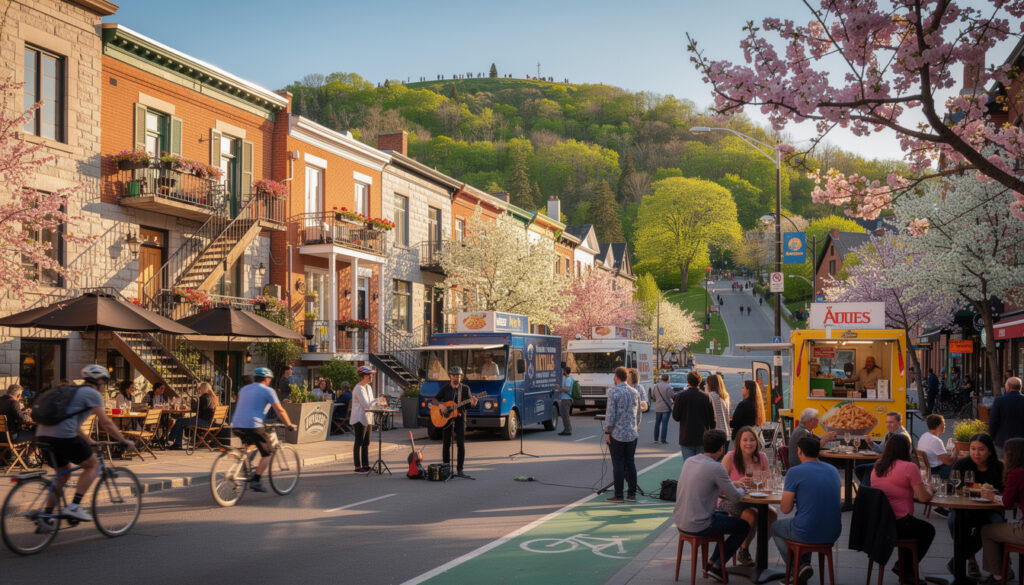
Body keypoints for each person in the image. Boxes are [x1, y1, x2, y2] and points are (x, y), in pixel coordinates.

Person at [35, 365, 135, 523]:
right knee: (93, 465)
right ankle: (74, 506)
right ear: (99, 381)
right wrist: (123, 440)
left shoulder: (73, 391)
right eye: (104, 383)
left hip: (43, 435)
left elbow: (73, 424)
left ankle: (46, 516)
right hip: (63, 436)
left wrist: (89, 441)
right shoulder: (92, 393)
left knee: (63, 474)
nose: (104, 386)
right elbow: (106, 423)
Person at [674, 429, 750, 581]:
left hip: (680, 521)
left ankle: (713, 563)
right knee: (744, 526)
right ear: (722, 448)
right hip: (700, 524)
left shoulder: (690, 461)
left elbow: (712, 483)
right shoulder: (716, 467)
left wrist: (734, 484)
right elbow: (736, 497)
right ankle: (717, 564)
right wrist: (743, 488)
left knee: (725, 515)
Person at [773, 435, 842, 585]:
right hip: (833, 531)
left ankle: (797, 569)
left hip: (807, 530)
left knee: (776, 527)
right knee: (805, 519)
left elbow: (785, 509)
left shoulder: (794, 472)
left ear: (799, 451)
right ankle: (803, 567)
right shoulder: (833, 470)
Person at [870, 434, 935, 583]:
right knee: (928, 530)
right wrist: (931, 489)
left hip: (880, 524)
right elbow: (923, 497)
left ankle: (904, 569)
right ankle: (905, 568)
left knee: (914, 527)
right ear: (907, 449)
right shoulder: (909, 467)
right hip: (899, 524)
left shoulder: (877, 467)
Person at [947, 433, 1005, 578]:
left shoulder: (999, 467)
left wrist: (994, 495)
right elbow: (951, 486)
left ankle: (958, 560)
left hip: (990, 509)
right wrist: (962, 489)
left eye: (981, 449)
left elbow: (1005, 492)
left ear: (990, 451)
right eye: (973, 449)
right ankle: (971, 560)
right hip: (965, 509)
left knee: (996, 522)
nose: (976, 453)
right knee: (954, 521)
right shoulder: (962, 464)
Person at [229, 367, 295, 492]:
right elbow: (280, 410)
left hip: (236, 424)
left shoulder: (244, 389)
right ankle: (256, 480)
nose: (270, 381)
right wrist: (289, 424)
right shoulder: (268, 390)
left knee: (251, 444)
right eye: (270, 379)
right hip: (253, 425)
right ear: (267, 379)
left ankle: (242, 467)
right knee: (267, 453)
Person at [720, 426, 778, 566]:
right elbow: (720, 485)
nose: (749, 443)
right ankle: (744, 551)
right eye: (745, 440)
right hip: (730, 499)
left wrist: (760, 483)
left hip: (754, 499)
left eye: (752, 440)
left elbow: (769, 480)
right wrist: (737, 483)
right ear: (738, 442)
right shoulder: (730, 457)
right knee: (752, 515)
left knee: (773, 515)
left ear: (757, 442)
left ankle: (761, 551)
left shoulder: (762, 457)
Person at [980, 437, 1024, 584]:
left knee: (987, 531)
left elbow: (1007, 503)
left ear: (1010, 455)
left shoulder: (1016, 474)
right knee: (1000, 525)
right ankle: (1006, 569)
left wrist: (992, 496)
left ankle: (998, 575)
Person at [605, 366, 642, 502]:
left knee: (618, 464)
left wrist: (607, 431)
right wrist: (636, 426)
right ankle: (632, 494)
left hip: (618, 434)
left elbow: (610, 415)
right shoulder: (635, 391)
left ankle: (619, 495)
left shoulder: (614, 392)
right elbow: (639, 412)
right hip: (632, 433)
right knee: (630, 463)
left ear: (616, 377)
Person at [432, 365, 477, 476]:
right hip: (446, 420)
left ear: (461, 377)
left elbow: (468, 405)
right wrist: (440, 405)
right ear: (450, 376)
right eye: (454, 376)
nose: (456, 378)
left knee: (460, 444)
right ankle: (446, 468)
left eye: (458, 376)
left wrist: (473, 404)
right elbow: (434, 400)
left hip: (460, 418)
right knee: (446, 444)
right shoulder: (445, 388)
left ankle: (460, 469)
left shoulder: (465, 389)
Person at [855, 411, 913, 486]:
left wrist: (880, 462)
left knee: (863, 469)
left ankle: (869, 489)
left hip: (894, 468)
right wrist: (871, 443)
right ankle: (869, 489)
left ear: (899, 423)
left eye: (891, 422)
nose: (888, 425)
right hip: (889, 465)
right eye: (887, 422)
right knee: (862, 468)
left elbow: (897, 458)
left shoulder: (902, 436)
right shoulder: (889, 434)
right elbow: (881, 449)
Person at [672, 370, 714, 462]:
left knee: (689, 465)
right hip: (702, 437)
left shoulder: (680, 396)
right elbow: (712, 420)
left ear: (688, 381)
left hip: (686, 437)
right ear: (700, 381)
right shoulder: (706, 397)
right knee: (702, 466)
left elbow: (676, 417)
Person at [166, 382, 218, 449]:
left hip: (204, 422)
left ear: (202, 389)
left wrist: (192, 402)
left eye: (200, 389)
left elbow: (196, 409)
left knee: (179, 421)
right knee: (181, 421)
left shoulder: (203, 398)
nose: (199, 390)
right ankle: (177, 443)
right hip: (211, 421)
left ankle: (171, 440)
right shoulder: (212, 398)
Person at [351, 366, 378, 473]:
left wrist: (378, 402)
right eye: (370, 375)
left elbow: (371, 402)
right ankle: (357, 466)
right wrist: (376, 401)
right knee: (359, 442)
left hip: (368, 418)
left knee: (366, 442)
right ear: (365, 376)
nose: (372, 376)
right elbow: (366, 405)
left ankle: (365, 464)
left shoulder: (368, 387)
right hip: (359, 418)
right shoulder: (358, 388)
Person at [989, 377, 1024, 458]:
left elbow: (993, 421)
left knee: (1002, 463)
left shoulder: (999, 401)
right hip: (1022, 441)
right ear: (1020, 387)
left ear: (1008, 387)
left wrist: (992, 437)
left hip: (1002, 441)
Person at [919, 414, 955, 480]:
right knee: (959, 465)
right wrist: (956, 452)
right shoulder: (935, 440)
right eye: (944, 424)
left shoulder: (923, 436)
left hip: (927, 471)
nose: (945, 426)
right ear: (939, 425)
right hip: (936, 472)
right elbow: (949, 462)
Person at [705, 374, 731, 444]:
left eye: (706, 383)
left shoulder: (710, 396)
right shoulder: (726, 396)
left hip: (715, 434)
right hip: (726, 433)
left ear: (710, 384)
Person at [652, 374, 674, 444]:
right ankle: (663, 440)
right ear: (668, 379)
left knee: (657, 423)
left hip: (658, 407)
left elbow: (653, 396)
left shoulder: (656, 386)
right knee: (664, 424)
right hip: (666, 408)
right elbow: (672, 396)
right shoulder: (668, 387)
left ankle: (656, 439)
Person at [557, 366, 573, 436]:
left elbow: (567, 390)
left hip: (566, 399)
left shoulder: (568, 379)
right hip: (565, 399)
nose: (563, 372)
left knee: (565, 415)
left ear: (565, 371)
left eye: (563, 371)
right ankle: (566, 429)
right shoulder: (567, 378)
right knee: (564, 415)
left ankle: (568, 430)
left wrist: (559, 389)